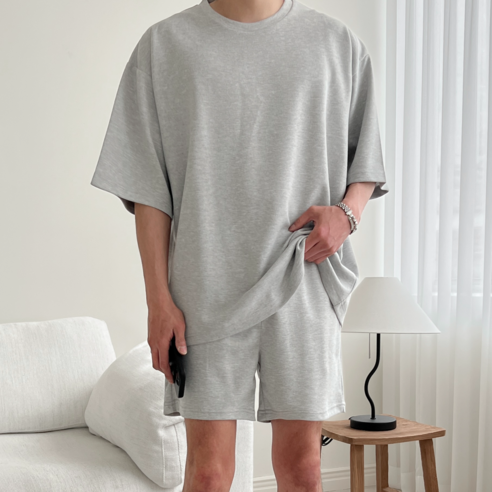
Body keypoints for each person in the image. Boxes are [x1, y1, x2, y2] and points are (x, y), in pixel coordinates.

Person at [90, 0, 389, 490]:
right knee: (208, 474)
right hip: (203, 288)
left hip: (303, 277)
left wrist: (347, 214)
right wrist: (157, 301)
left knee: (303, 469)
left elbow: (367, 159)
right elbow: (147, 188)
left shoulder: (337, 44)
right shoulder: (165, 46)